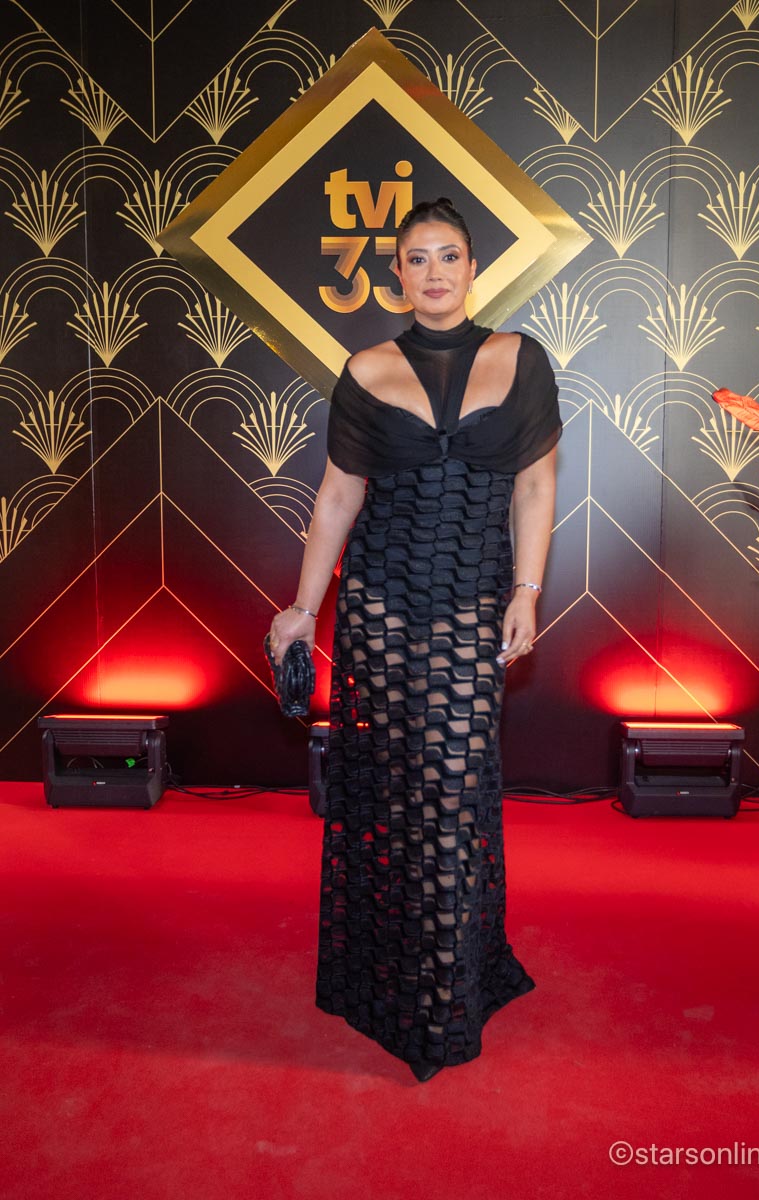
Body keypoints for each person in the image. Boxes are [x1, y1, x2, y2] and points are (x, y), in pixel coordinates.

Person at [268, 197, 561, 1082]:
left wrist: (528, 591)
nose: (434, 272)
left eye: (449, 256)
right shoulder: (365, 369)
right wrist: (302, 607)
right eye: (418, 258)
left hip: (474, 606)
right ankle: (387, 979)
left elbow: (536, 487)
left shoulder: (521, 359)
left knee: (456, 792)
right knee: (394, 791)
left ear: (473, 267)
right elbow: (337, 497)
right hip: (383, 610)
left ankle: (448, 986)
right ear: (397, 274)